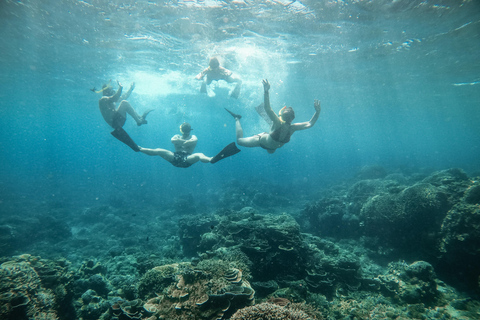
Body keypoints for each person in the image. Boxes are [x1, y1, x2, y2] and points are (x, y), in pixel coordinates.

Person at [225, 79, 321, 154]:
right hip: (261, 141)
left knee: (271, 151)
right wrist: (266, 91)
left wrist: (317, 112)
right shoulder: (286, 125)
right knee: (239, 141)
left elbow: (310, 123)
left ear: (291, 118)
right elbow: (267, 108)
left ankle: (270, 129)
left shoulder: (292, 127)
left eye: (289, 113)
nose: (288, 114)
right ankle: (237, 118)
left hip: (271, 144)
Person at [138, 122, 241, 167]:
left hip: (187, 159)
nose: (186, 132)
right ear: (182, 130)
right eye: (185, 130)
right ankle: (139, 148)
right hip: (175, 157)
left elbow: (192, 141)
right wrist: (185, 142)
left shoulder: (192, 137)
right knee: (159, 150)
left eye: (187, 130)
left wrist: (182, 142)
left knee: (199, 154)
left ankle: (211, 159)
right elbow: (173, 141)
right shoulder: (177, 136)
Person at [97, 80, 152, 152]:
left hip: (117, 121)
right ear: (106, 91)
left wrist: (131, 89)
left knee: (124, 102)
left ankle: (139, 118)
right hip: (115, 122)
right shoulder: (103, 99)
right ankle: (139, 120)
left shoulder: (109, 100)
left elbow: (123, 97)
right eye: (111, 90)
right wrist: (120, 87)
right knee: (124, 103)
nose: (113, 91)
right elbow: (116, 97)